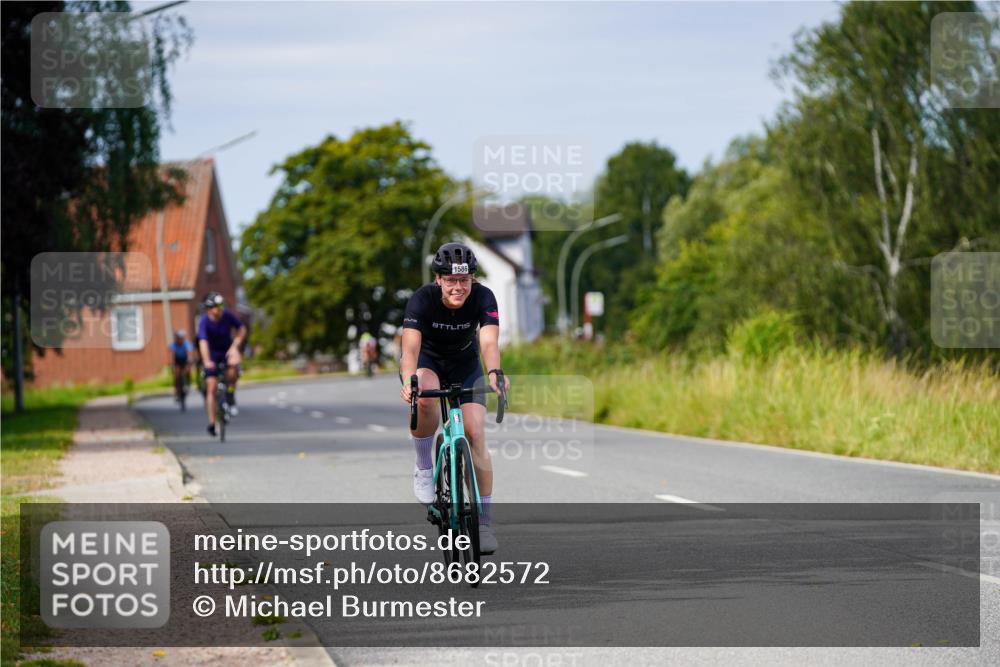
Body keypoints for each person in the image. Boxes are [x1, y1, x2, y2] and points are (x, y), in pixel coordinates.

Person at [399, 242, 510, 554]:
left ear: (472, 279)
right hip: (428, 362)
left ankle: (484, 524)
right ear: (439, 280)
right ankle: (423, 465)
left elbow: (488, 341)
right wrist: (410, 379)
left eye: (464, 280)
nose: (458, 288)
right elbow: (409, 348)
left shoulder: (484, 296)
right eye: (451, 281)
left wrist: (495, 372)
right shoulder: (422, 299)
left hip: (465, 364)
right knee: (424, 396)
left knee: (475, 434)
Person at [197, 292, 247, 436]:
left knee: (232, 371)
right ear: (209, 308)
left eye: (221, 306)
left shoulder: (227, 316)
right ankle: (212, 423)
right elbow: (203, 342)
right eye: (216, 307)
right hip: (212, 355)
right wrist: (206, 360)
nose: (219, 309)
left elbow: (242, 329)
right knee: (211, 386)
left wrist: (235, 346)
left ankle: (230, 395)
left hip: (227, 351)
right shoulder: (204, 322)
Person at [167, 330, 194, 402]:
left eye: (182, 338)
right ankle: (177, 391)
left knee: (188, 370)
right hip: (177, 361)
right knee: (177, 375)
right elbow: (172, 355)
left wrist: (189, 362)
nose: (180, 340)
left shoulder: (186, 344)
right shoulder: (174, 345)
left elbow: (189, 353)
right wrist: (172, 365)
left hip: (185, 360)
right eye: (179, 338)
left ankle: (188, 382)